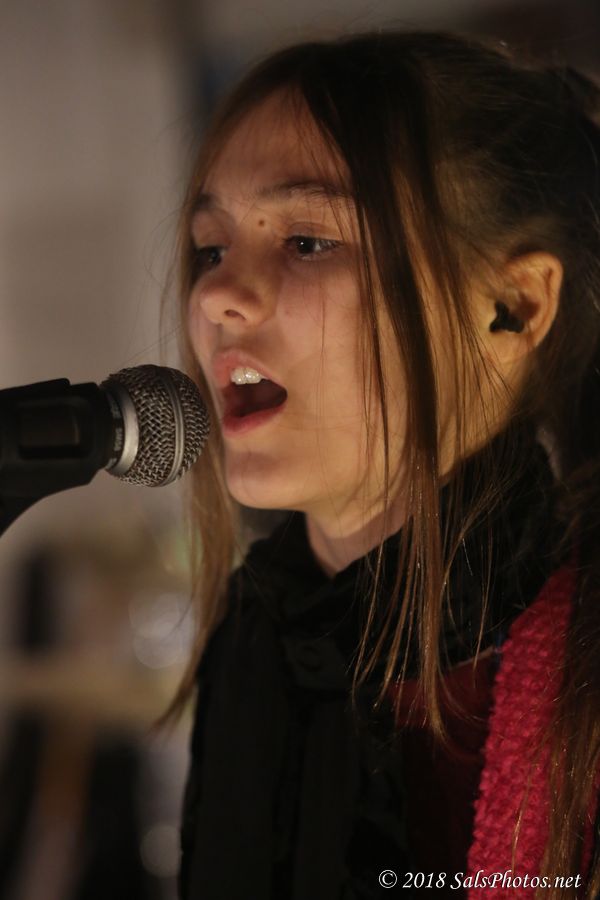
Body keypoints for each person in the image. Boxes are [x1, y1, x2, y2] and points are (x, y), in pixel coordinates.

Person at [169, 31, 600, 899]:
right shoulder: (255, 645)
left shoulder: (576, 692)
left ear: (514, 306)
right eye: (211, 248)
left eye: (308, 241)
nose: (214, 295)